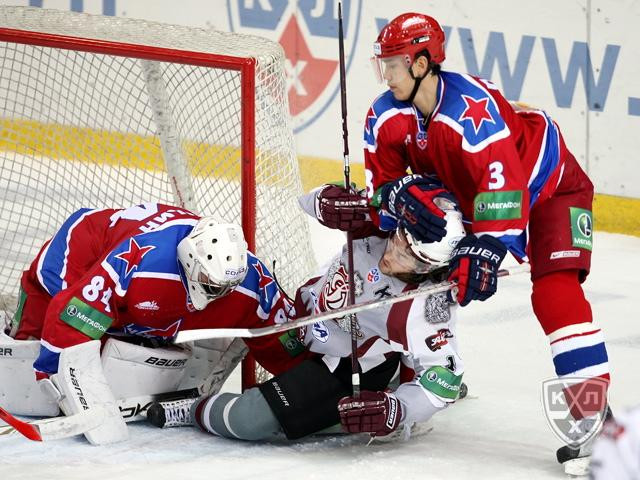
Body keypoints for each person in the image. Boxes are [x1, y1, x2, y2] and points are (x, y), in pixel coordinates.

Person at [362, 12, 610, 468]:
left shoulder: (470, 114)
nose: (386, 75)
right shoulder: (385, 115)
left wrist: (487, 246)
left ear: (421, 64)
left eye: (394, 64)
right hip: (477, 195)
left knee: (554, 295)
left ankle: (600, 426)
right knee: (413, 255)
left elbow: (506, 190)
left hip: (550, 186)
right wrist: (393, 197)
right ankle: (429, 367)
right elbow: (380, 191)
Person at [146, 186, 467, 442]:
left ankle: (193, 409)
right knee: (229, 280)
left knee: (248, 420)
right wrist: (330, 202)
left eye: (411, 260)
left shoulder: (423, 308)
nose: (392, 257)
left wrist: (401, 408)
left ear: (431, 268)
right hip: (299, 318)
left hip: (343, 368)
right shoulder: (380, 224)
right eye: (400, 241)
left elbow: (445, 381)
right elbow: (308, 201)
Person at [0, 202, 310, 444]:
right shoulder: (139, 263)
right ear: (190, 262)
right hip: (84, 248)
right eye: (211, 284)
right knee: (28, 370)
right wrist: (53, 373)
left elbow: (283, 340)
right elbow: (72, 314)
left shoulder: (252, 281)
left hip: (146, 293)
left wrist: (315, 388)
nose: (222, 294)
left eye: (228, 287)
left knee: (126, 362)